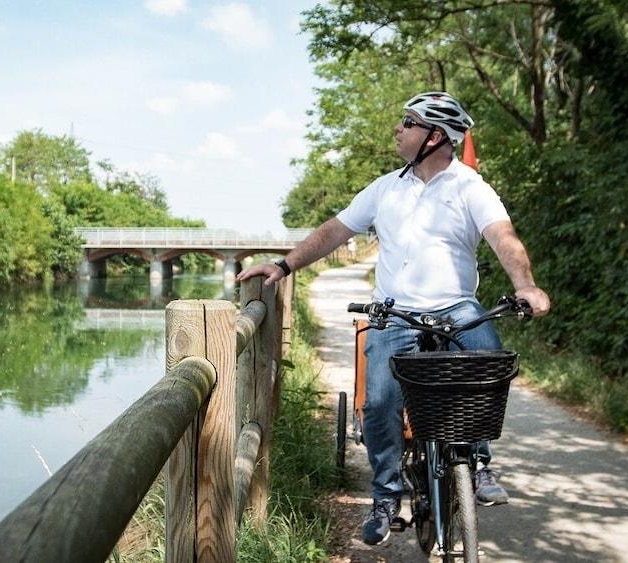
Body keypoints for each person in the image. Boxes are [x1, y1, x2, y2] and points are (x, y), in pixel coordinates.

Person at [236, 91, 551, 546]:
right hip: (394, 311)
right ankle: (386, 495)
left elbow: (504, 238)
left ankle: (479, 463)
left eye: (408, 122)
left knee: (487, 359)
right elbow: (334, 232)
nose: (399, 130)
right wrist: (284, 266)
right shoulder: (385, 188)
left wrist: (525, 285)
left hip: (455, 306)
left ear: (435, 136)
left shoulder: (470, 187)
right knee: (381, 401)